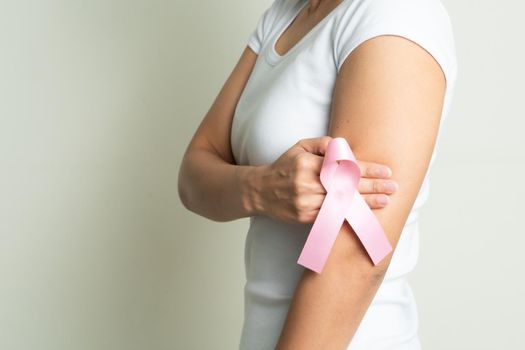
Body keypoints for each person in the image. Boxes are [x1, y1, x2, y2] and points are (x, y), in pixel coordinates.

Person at [178, 0, 457, 348]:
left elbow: (355, 255)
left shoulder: (396, 13)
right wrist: (261, 188)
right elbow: (193, 177)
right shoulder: (285, 16)